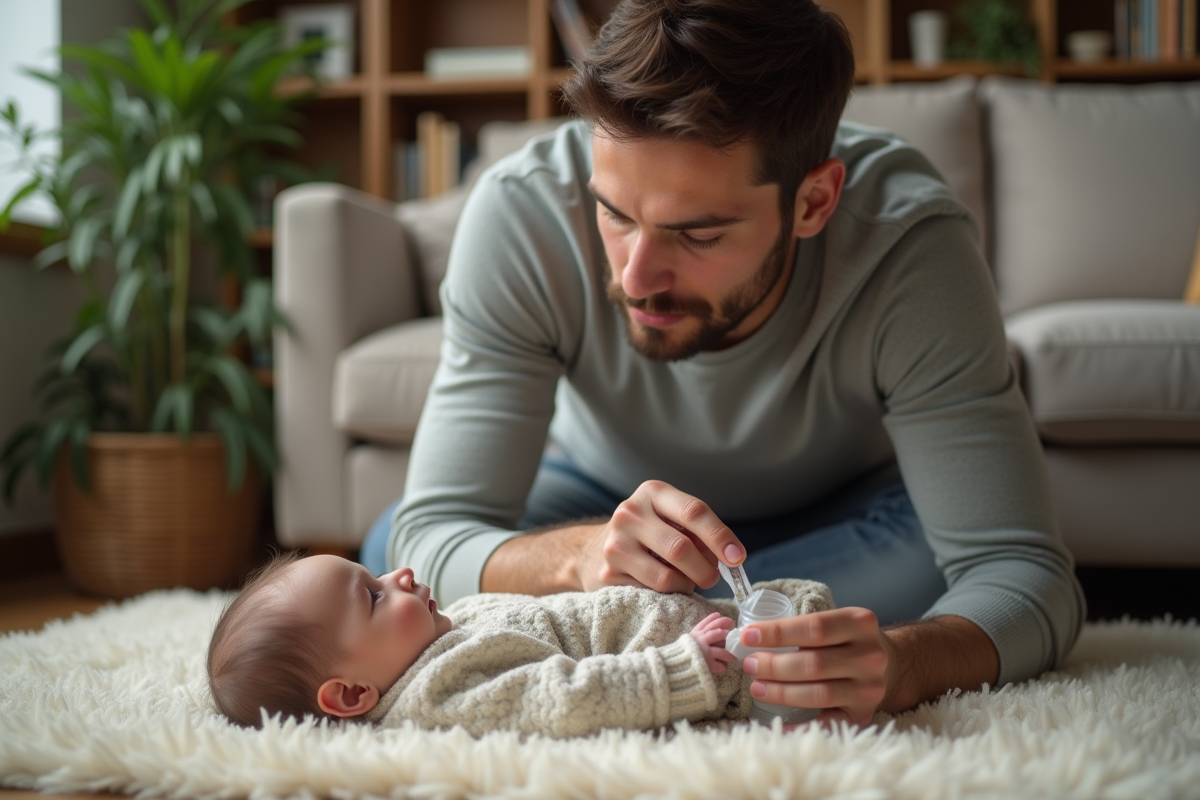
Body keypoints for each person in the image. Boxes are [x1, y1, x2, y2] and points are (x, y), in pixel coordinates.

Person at [361, 0, 1086, 727]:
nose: (637, 276)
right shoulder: (523, 213)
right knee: (388, 550)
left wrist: (903, 663)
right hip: (604, 499)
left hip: (862, 513)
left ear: (814, 201)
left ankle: (646, 635)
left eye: (697, 233)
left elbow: (1022, 575)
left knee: (945, 569)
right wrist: (579, 558)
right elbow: (432, 535)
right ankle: (708, 631)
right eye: (614, 214)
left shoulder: (911, 247)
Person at [206, 552, 834, 736]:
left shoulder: (441, 632)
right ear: (350, 693)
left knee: (805, 612)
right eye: (373, 596)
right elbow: (562, 699)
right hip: (723, 666)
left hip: (691, 619)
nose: (397, 576)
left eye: (373, 574)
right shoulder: (442, 692)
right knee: (811, 649)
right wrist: (681, 668)